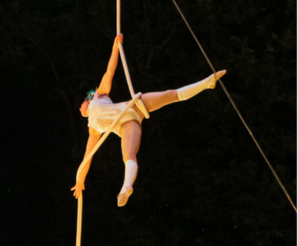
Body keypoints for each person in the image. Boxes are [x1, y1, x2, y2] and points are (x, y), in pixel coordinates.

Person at [72, 34, 225, 207]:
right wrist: (80, 181)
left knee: (170, 95)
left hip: (135, 107)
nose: (81, 106)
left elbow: (110, 71)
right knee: (128, 154)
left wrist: (116, 47)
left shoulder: (98, 96)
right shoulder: (93, 129)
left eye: (83, 102)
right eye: (80, 107)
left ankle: (206, 83)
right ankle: (126, 187)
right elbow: (88, 157)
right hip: (127, 125)